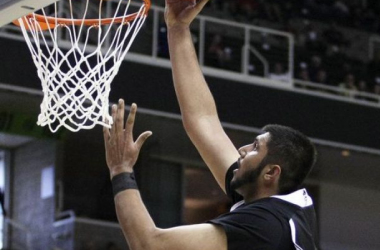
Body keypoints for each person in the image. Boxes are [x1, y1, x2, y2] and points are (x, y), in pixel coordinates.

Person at [103, 0, 319, 249]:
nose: (242, 149)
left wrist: (121, 170)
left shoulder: (265, 225)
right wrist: (178, 28)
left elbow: (149, 244)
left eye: (255, 147)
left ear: (271, 172)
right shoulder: (278, 200)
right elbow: (202, 119)